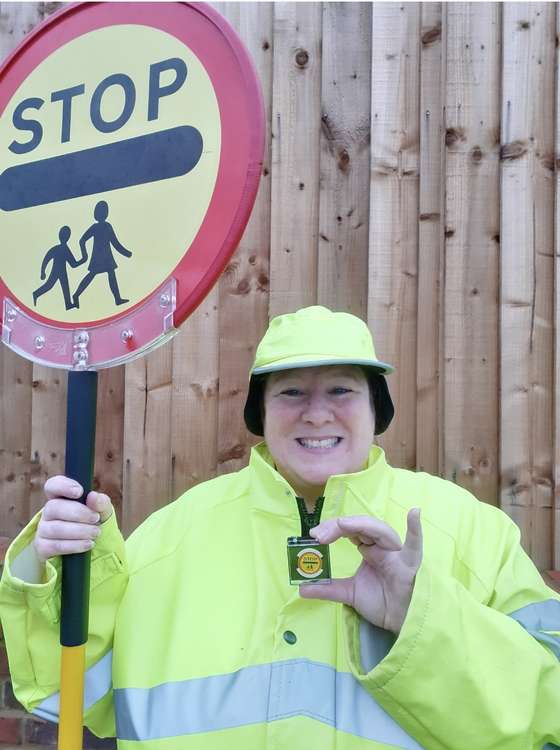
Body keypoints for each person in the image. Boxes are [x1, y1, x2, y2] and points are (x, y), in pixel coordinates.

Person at [0, 305, 559, 750]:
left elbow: (544, 717)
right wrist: (47, 569)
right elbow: (77, 695)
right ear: (260, 416)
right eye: (291, 392)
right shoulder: (171, 534)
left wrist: (421, 618)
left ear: (376, 409)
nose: (317, 414)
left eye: (341, 389)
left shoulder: (472, 530)